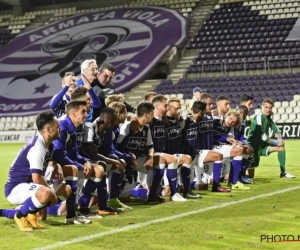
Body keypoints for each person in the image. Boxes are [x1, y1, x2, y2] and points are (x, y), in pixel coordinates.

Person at [3, 111, 70, 231]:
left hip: (30, 186)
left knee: (66, 190)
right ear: (49, 129)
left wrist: (56, 165)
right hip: (16, 187)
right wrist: (51, 193)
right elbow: (37, 178)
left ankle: (27, 211)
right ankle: (19, 215)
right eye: (58, 127)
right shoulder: (37, 147)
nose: (60, 129)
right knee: (46, 193)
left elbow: (41, 174)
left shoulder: (48, 145)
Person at [52, 100, 106, 221]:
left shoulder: (73, 127)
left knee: (98, 170)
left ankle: (83, 208)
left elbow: (73, 153)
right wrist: (80, 166)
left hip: (61, 165)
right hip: (52, 167)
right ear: (73, 113)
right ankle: (70, 216)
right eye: (83, 112)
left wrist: (85, 162)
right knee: (74, 169)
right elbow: (58, 155)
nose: (86, 115)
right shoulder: (62, 126)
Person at [80, 107, 128, 213]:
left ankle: (104, 205)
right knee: (102, 165)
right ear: (110, 121)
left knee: (105, 165)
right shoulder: (89, 127)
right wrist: (115, 161)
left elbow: (106, 151)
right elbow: (93, 154)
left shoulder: (104, 131)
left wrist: (116, 160)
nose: (115, 125)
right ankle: (84, 207)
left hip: (89, 161)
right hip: (81, 161)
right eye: (115, 122)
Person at [117, 102, 162, 202]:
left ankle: (152, 195)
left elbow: (150, 146)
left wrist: (150, 157)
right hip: (125, 161)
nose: (153, 116)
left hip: (139, 160)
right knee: (124, 198)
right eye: (151, 114)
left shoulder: (146, 128)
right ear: (146, 115)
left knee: (158, 161)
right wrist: (128, 158)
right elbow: (118, 146)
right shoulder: (127, 126)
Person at [183, 102, 230, 193]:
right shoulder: (185, 121)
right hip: (186, 156)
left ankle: (216, 186)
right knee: (174, 189)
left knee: (218, 156)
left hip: (197, 153)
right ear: (201, 112)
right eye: (204, 111)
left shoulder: (199, 121)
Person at [162, 97, 201, 199]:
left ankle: (187, 190)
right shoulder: (162, 121)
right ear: (169, 108)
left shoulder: (179, 121)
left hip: (177, 155)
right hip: (167, 157)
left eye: (180, 108)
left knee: (187, 158)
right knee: (167, 191)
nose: (179, 111)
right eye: (176, 108)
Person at [247, 98, 295, 179]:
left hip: (262, 146)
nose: (268, 110)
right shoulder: (258, 118)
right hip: (253, 147)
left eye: (270, 108)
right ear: (262, 107)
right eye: (266, 107)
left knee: (281, 147)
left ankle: (283, 172)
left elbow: (276, 130)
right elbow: (263, 136)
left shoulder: (268, 117)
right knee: (250, 176)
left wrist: (280, 140)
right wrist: (276, 143)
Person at [234, 105, 254, 184]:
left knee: (249, 150)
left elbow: (241, 136)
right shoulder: (233, 121)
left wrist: (245, 143)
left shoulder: (242, 123)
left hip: (238, 142)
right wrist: (238, 142)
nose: (242, 115)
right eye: (241, 113)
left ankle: (242, 174)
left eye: (244, 114)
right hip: (232, 143)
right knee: (244, 150)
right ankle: (239, 176)